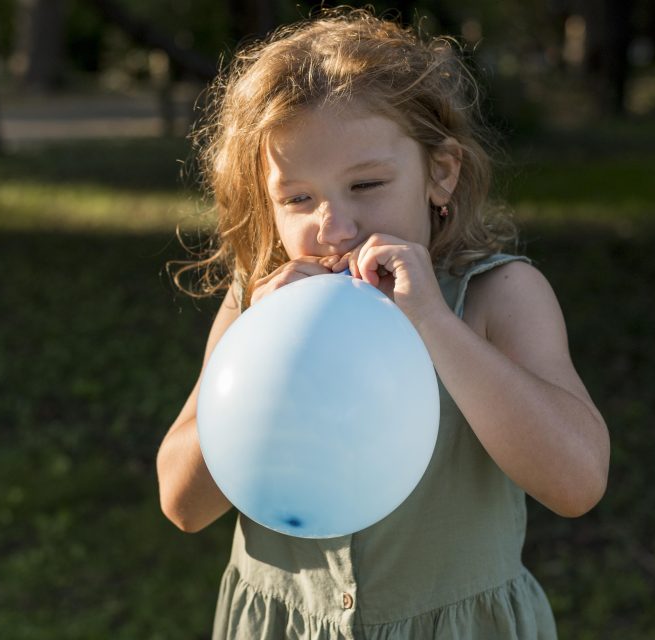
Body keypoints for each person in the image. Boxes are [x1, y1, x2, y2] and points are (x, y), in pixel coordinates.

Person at [157, 7, 610, 639]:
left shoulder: (497, 295)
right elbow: (183, 504)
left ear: (440, 173)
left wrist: (431, 322)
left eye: (366, 184)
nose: (335, 227)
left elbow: (576, 482)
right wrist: (256, 348)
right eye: (297, 198)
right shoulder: (255, 306)